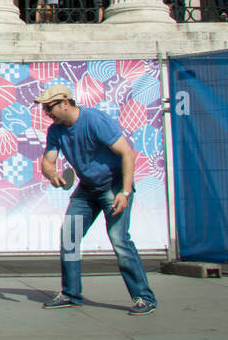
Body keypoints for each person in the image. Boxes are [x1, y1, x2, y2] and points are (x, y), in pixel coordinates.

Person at [35, 84, 157, 316]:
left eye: (49, 107)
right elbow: (47, 162)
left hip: (114, 185)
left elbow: (126, 153)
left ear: (65, 102)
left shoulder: (94, 120)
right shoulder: (55, 131)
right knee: (69, 237)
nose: (46, 113)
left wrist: (126, 192)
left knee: (119, 240)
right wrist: (52, 174)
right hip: (87, 189)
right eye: (44, 109)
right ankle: (71, 294)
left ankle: (144, 298)